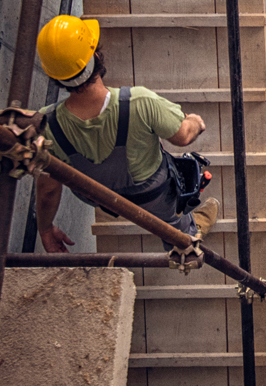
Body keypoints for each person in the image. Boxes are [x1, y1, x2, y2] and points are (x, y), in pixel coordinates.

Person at [29, 14, 219, 252]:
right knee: (172, 220)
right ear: (96, 56)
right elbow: (182, 137)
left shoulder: (47, 125)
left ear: (55, 76)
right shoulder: (140, 102)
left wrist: (45, 229)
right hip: (153, 196)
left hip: (101, 198)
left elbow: (47, 191)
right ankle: (187, 237)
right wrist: (195, 122)